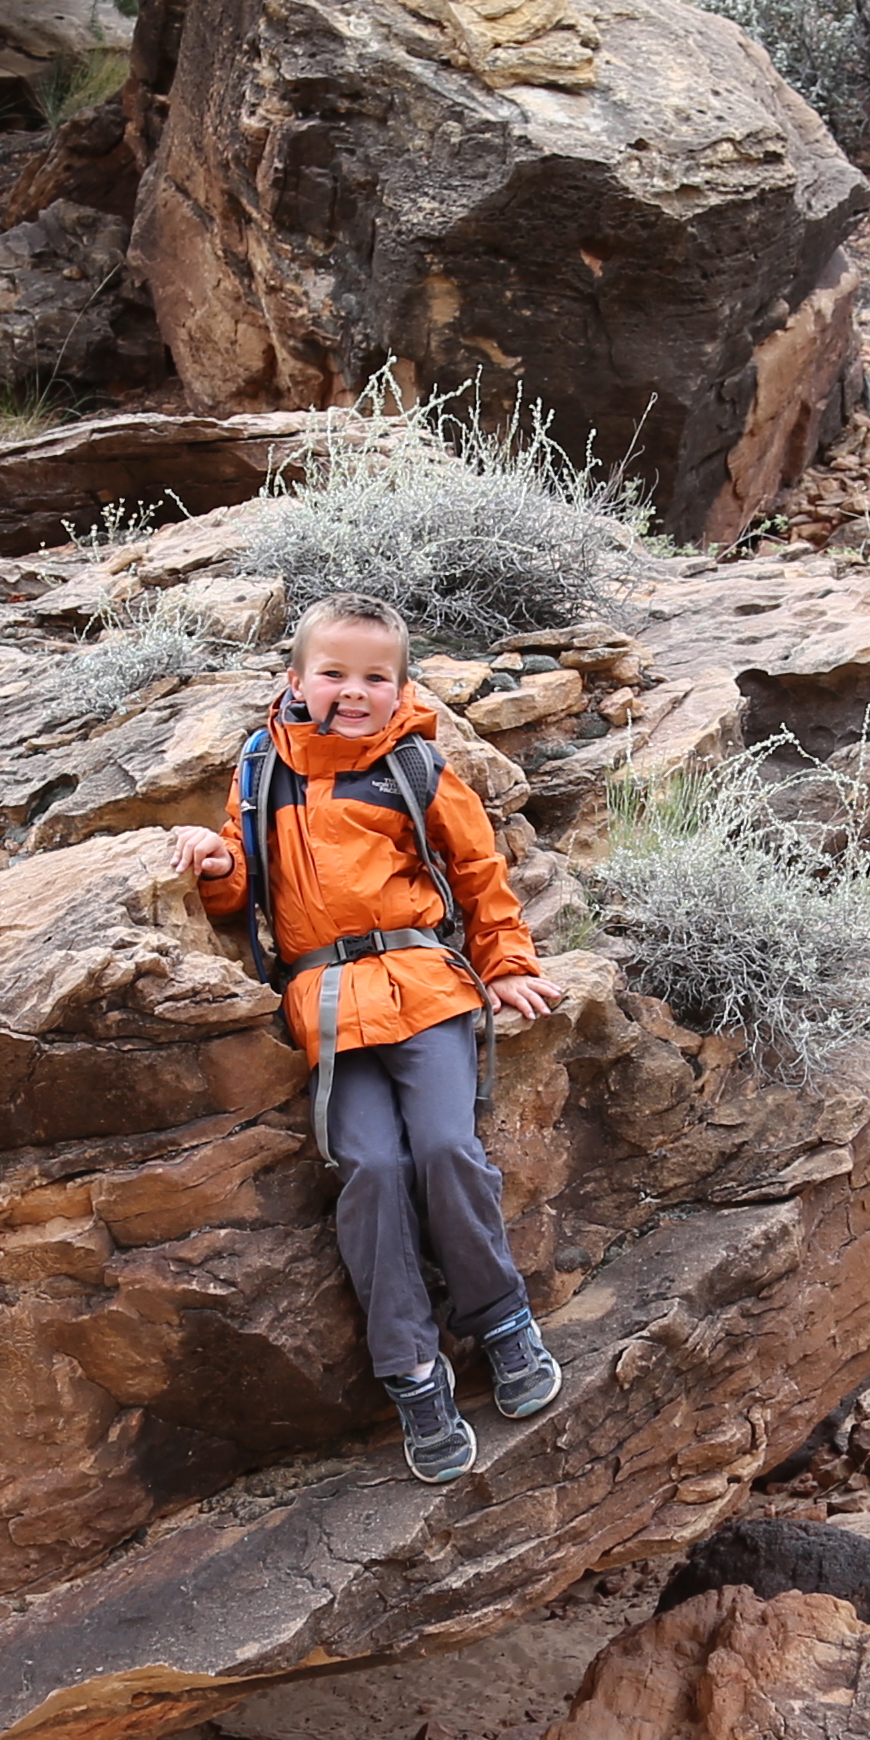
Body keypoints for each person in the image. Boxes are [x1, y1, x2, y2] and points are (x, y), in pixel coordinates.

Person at [188, 590, 565, 1482]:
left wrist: (507, 962)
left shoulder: (417, 767)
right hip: (323, 1005)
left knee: (444, 1146)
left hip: (424, 986)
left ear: (400, 689)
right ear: (296, 679)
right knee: (371, 1169)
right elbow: (245, 888)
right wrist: (213, 866)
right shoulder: (261, 771)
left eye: (374, 678)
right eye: (334, 673)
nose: (352, 692)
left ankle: (502, 1320)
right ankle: (410, 1369)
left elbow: (479, 872)